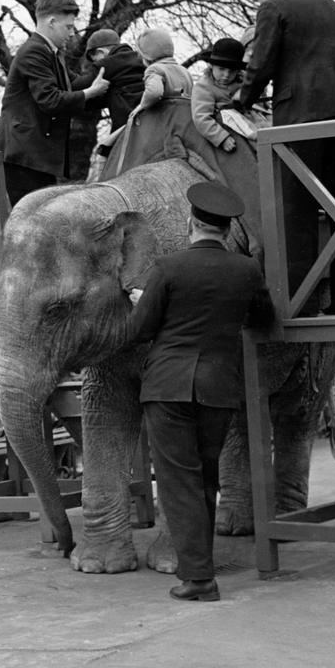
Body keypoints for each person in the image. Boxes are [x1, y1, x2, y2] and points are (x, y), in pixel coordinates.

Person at [126, 183, 275, 602]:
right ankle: (199, 569)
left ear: (191, 224)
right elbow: (264, 318)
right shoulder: (247, 270)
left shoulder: (168, 267)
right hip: (217, 387)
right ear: (226, 231)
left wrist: (142, 301)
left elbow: (140, 331)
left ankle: (199, 579)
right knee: (206, 479)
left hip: (167, 386)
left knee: (178, 482)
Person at [237, 0, 335, 316]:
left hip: (300, 116)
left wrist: (242, 101)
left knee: (297, 210)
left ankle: (303, 303)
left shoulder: (272, 7)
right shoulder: (329, 3)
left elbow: (261, 62)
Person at [0, 0, 110, 205]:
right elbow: (51, 101)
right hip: (24, 157)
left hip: (35, 156)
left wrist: (108, 64)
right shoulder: (34, 52)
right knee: (32, 223)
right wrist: (91, 93)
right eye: (69, 26)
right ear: (52, 22)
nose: (72, 33)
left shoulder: (51, 53)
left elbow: (74, 84)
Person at [81, 28, 145, 136]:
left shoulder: (108, 63)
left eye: (96, 59)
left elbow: (80, 85)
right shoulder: (141, 60)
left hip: (127, 130)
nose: (96, 64)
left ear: (102, 52)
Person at [191, 38, 248, 155]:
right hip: (231, 131)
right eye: (221, 69)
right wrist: (222, 138)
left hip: (250, 121)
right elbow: (201, 118)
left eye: (232, 71)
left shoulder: (243, 80)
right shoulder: (204, 86)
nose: (226, 75)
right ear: (211, 65)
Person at [130, 27, 193, 119]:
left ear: (148, 55)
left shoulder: (154, 69)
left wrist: (142, 105)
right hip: (185, 123)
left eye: (141, 53)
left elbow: (154, 92)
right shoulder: (185, 71)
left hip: (165, 125)